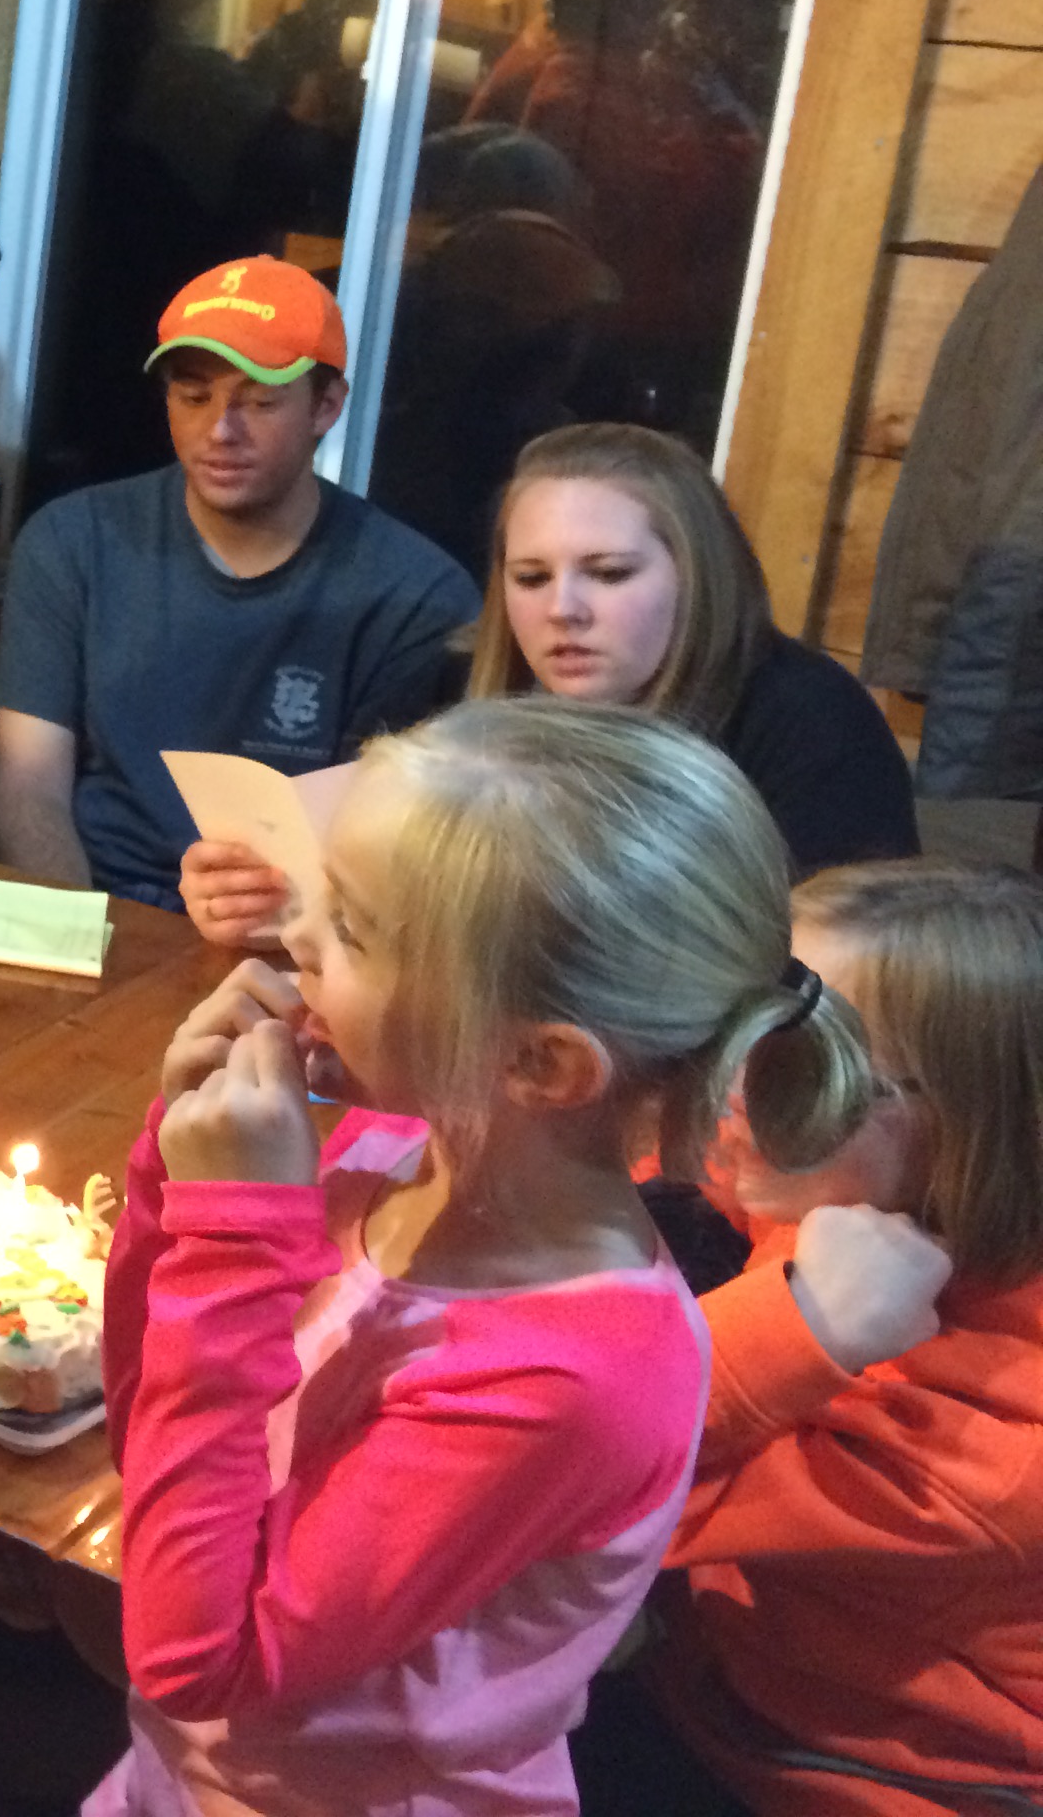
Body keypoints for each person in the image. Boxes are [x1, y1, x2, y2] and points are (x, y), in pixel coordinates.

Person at [94, 698, 882, 1815]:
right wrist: (176, 1179)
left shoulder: (578, 1378)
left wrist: (229, 1232)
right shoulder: (388, 1147)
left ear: (540, 1065)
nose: (296, 937)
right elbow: (153, 1444)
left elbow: (200, 1659)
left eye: (353, 927)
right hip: (177, 1777)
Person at [568, 858, 1043, 1816]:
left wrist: (792, 1327)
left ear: (971, 1127)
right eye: (737, 1028)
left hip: (813, 1766)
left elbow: (568, 1476)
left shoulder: (985, 1454)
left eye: (801, 1067)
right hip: (727, 1656)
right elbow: (661, 1167)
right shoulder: (857, 1177)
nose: (729, 1094)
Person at [188, 422, 921, 949]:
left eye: (608, 573)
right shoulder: (446, 690)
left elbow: (843, 976)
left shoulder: (809, 719)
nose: (563, 609)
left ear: (697, 576)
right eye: (531, 577)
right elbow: (339, 888)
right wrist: (261, 898)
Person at [0, 255, 476, 916]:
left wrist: (272, 934)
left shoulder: (414, 595)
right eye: (194, 397)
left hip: (288, 925)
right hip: (92, 903)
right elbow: (29, 783)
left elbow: (379, 846)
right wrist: (69, 930)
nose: (221, 431)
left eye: (260, 401)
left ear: (327, 406)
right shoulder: (73, 541)